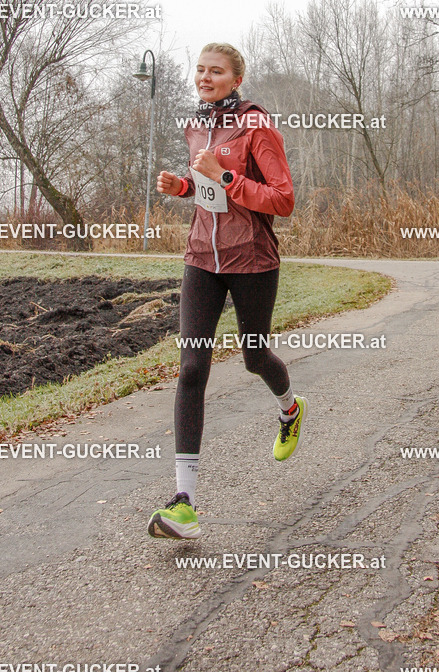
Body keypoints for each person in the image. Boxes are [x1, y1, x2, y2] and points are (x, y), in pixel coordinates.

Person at [148, 43, 306, 540]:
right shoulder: (196, 123)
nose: (204, 77)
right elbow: (207, 190)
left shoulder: (258, 125)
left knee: (254, 356)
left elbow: (283, 201)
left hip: (252, 260)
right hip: (202, 258)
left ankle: (290, 408)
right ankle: (184, 502)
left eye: (215, 71)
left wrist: (227, 175)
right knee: (191, 366)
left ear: (236, 78)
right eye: (199, 70)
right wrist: (185, 188)